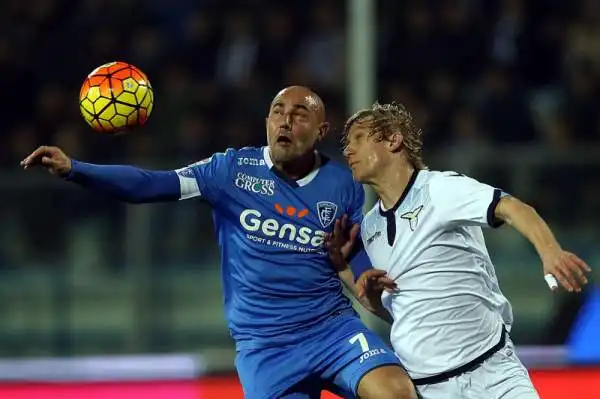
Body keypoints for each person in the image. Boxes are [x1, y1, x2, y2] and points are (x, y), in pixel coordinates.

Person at [21, 87, 417, 399]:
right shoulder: (228, 170)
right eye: (278, 112)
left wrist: (366, 280)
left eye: (300, 115)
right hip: (265, 347)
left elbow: (349, 255)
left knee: (397, 392)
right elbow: (150, 185)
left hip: (330, 330)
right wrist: (76, 169)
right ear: (266, 121)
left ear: (321, 131)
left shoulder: (342, 184)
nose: (285, 121)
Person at [329, 101, 592, 399]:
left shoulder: (440, 189)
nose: (348, 150)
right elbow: (402, 312)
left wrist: (550, 252)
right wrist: (349, 274)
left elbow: (513, 208)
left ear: (393, 139)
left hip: (493, 374)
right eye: (346, 143)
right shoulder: (370, 228)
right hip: (428, 388)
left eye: (359, 138)